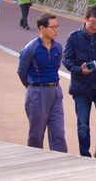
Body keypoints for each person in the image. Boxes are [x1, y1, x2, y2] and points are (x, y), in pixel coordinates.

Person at [63, 6, 96, 160]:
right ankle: (84, 155)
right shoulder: (73, 37)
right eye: (93, 23)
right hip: (81, 87)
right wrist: (80, 70)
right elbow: (66, 60)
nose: (95, 27)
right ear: (85, 19)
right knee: (83, 125)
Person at [17, 13, 67, 153]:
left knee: (58, 133)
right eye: (52, 27)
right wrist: (32, 88)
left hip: (56, 92)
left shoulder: (58, 47)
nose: (56, 30)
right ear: (42, 28)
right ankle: (35, 163)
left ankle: (59, 163)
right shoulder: (31, 48)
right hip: (37, 93)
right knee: (36, 135)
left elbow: (56, 67)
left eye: (57, 27)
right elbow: (22, 71)